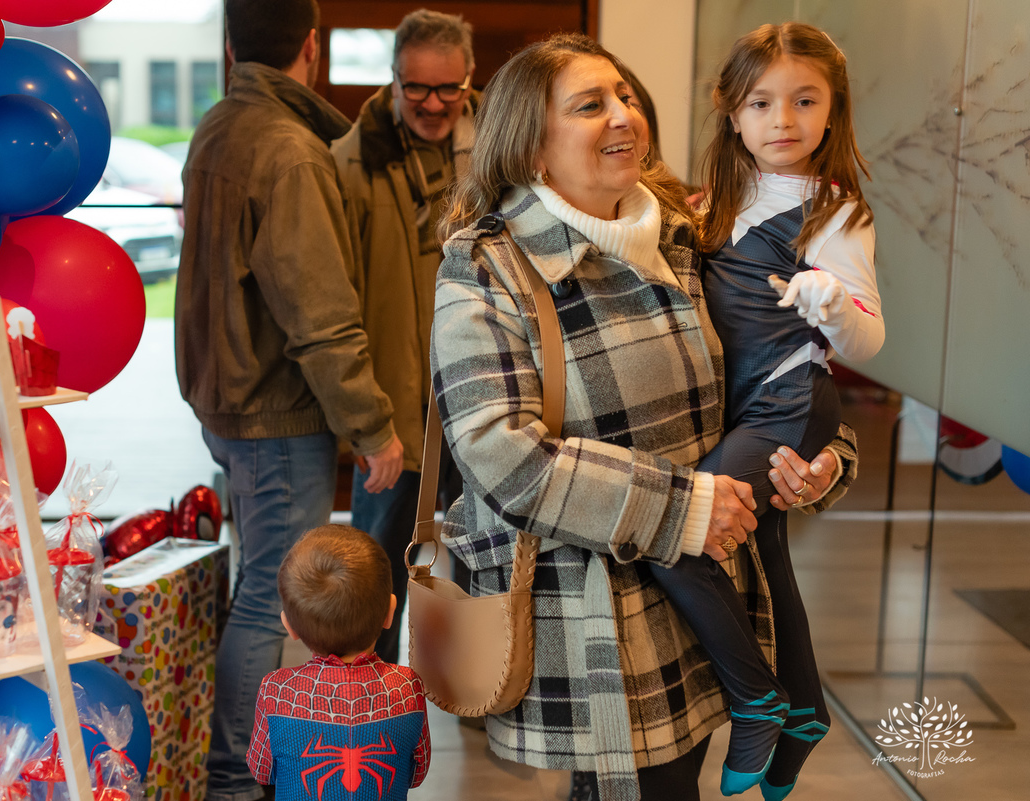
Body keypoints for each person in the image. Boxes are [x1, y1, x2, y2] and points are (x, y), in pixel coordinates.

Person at [430, 33, 858, 801]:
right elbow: (500, 455)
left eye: (625, 96)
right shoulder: (486, 264)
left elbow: (785, 373)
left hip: (709, 599)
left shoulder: (691, 232)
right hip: (594, 609)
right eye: (590, 105)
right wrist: (682, 507)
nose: (623, 114)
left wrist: (824, 463)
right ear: (532, 146)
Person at [647, 22, 882, 800]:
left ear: (831, 110)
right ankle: (806, 712)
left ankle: (758, 698)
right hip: (743, 408)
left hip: (788, 407)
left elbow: (871, 339)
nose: (784, 119)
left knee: (675, 534)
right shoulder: (715, 200)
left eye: (804, 100)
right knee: (768, 558)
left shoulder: (835, 211)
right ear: (731, 111)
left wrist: (835, 303)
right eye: (763, 101)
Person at [175, 2, 403, 798]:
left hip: (228, 401)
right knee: (272, 589)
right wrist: (373, 427)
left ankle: (240, 767)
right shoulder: (290, 151)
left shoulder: (218, 127)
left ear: (233, 47)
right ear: (310, 46)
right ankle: (238, 777)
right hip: (273, 410)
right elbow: (320, 315)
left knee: (260, 580)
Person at [331, 8, 479, 665]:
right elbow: (338, 295)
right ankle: (371, 689)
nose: (433, 103)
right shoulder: (353, 161)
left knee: (483, 556)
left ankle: (482, 687)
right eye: (417, 87)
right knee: (378, 564)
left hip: (479, 395)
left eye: (448, 88)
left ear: (468, 80)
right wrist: (363, 414)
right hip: (395, 403)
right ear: (393, 81)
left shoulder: (498, 150)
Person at [246, 525, 431, 800]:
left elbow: (261, 771)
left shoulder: (276, 690)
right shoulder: (407, 687)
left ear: (290, 627)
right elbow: (417, 773)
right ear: (390, 613)